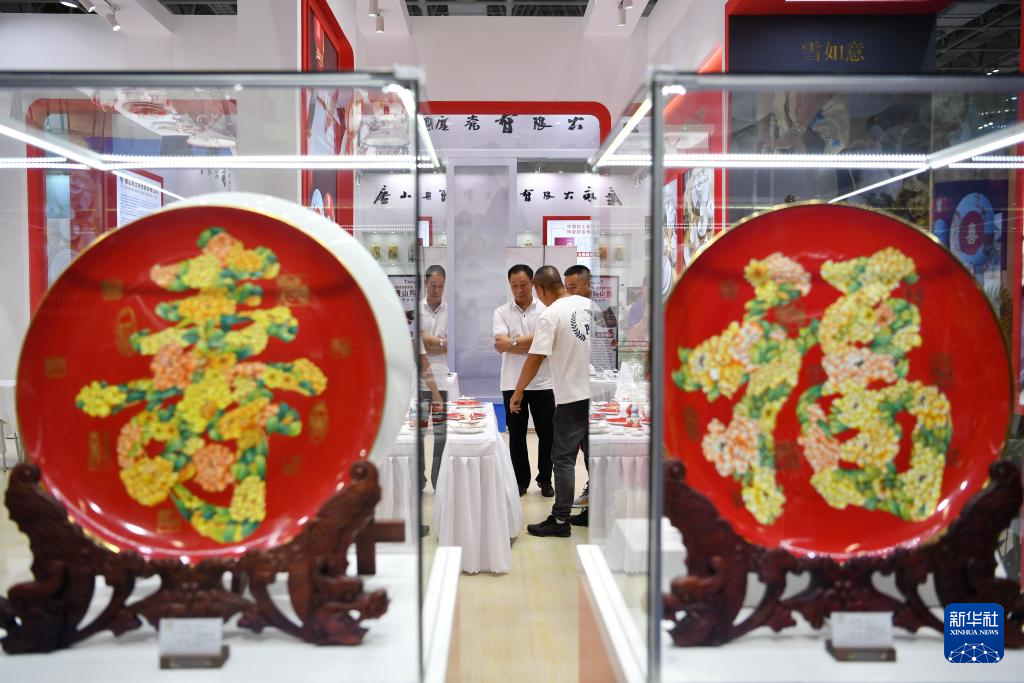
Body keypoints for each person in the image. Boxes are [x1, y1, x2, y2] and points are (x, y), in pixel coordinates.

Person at [511, 266, 592, 537]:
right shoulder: (590, 306)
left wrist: (518, 391)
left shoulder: (551, 314)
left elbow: (535, 357)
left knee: (563, 458)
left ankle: (560, 520)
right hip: (598, 393)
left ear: (541, 289)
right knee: (593, 455)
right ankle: (597, 509)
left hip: (572, 396)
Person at [493, 264, 555, 497]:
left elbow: (546, 347)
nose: (519, 290)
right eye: (514, 286)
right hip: (511, 383)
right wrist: (533, 343)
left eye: (523, 284)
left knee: (547, 434)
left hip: (543, 382)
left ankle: (545, 479)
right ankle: (520, 481)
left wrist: (513, 343)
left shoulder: (546, 310)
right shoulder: (501, 312)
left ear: (532, 284)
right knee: (516, 435)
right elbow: (500, 345)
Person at [420, 264, 448, 490]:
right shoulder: (415, 310)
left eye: (440, 286)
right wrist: (439, 343)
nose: (436, 290)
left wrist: (428, 340)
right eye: (433, 285)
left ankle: (439, 481)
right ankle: (419, 480)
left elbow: (450, 345)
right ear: (425, 284)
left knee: (441, 435)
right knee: (418, 434)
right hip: (420, 384)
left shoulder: (451, 311)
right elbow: (417, 345)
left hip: (443, 380)